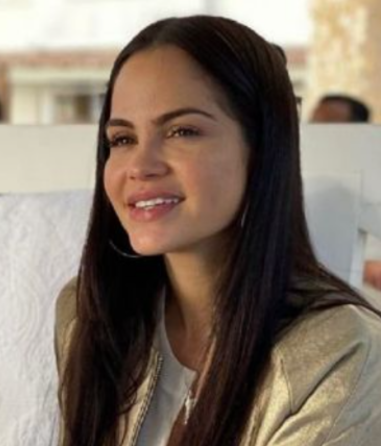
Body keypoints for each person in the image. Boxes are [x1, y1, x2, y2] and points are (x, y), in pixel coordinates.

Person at [55, 16, 381, 446]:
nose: (140, 166)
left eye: (183, 131)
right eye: (122, 139)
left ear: (261, 149)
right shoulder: (88, 313)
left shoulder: (342, 353)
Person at [308, 94, 381, 292]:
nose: (316, 131)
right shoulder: (297, 175)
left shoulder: (372, 178)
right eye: (313, 122)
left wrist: (365, 266)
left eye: (328, 125)